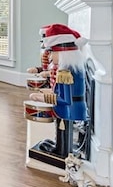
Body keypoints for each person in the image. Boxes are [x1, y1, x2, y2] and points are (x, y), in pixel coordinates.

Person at [30, 23, 89, 158]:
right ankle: (59, 146)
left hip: (69, 109)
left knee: (63, 127)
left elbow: (64, 99)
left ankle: (61, 151)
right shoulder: (73, 69)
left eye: (53, 53)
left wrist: (41, 97)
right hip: (73, 107)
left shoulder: (65, 74)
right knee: (61, 128)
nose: (50, 57)